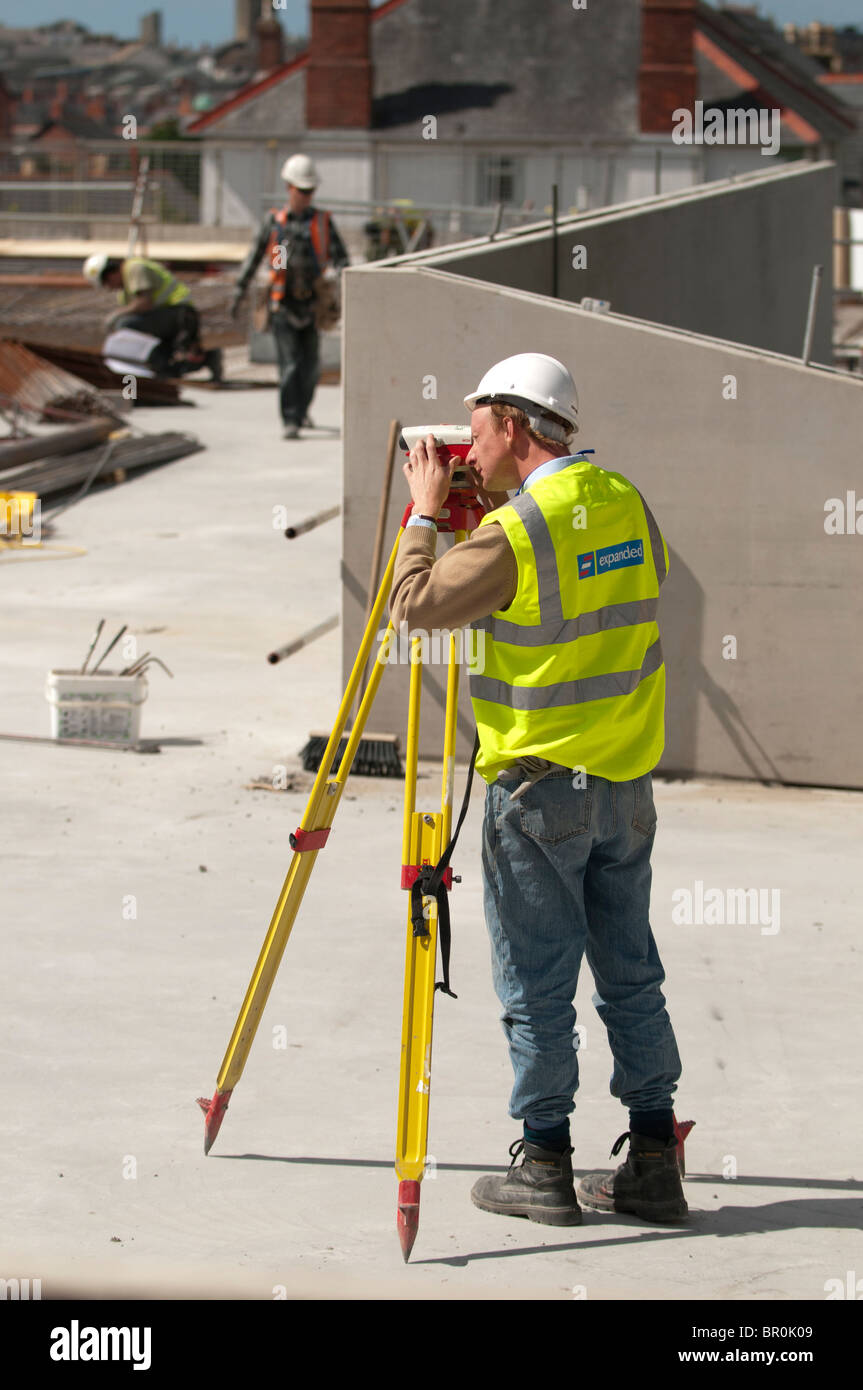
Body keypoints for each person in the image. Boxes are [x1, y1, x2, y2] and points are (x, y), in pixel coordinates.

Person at [389, 353, 687, 1226]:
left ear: (514, 427)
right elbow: (632, 579)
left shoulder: (515, 535)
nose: (466, 449)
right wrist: (493, 523)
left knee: (535, 983)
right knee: (630, 977)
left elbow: (414, 605)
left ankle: (545, 1164)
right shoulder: (622, 497)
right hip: (624, 785)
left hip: (539, 792)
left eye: (474, 431)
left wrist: (427, 511)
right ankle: (653, 1159)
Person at [231, 153, 349, 440]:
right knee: (290, 365)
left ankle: (302, 409)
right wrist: (238, 290)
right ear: (289, 188)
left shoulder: (322, 222)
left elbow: (341, 258)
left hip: (313, 304)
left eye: (310, 191)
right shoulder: (275, 222)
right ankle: (290, 418)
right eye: (302, 191)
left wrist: (348, 289)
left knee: (310, 368)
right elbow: (253, 257)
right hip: (282, 304)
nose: (306, 196)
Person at [82, 253, 222, 382]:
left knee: (125, 324)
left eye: (107, 283)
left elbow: (145, 303)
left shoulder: (135, 269)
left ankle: (147, 362)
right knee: (165, 369)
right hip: (166, 316)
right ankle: (207, 358)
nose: (110, 288)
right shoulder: (125, 289)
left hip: (179, 314)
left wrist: (116, 315)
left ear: (110, 274)